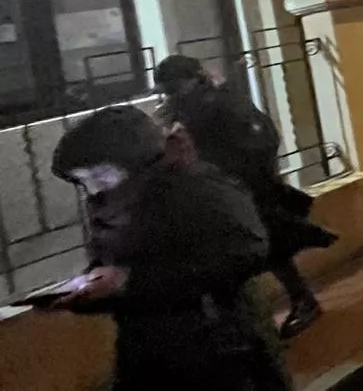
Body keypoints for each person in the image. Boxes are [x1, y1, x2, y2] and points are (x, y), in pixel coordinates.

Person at [50, 106, 290, 390]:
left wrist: (129, 281)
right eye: (84, 180)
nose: (93, 189)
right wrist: (92, 290)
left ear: (138, 159)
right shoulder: (111, 204)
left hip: (222, 351)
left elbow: (244, 253)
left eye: (101, 174)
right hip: (149, 352)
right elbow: (121, 267)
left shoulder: (201, 188)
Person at [153, 54, 335, 340]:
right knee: (233, 255)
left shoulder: (222, 102)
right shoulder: (183, 109)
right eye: (167, 90)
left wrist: (246, 178)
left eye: (175, 87)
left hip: (240, 189)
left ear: (192, 79)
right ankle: (247, 320)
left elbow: (261, 139)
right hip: (210, 192)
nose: (170, 95)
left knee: (267, 247)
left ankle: (297, 303)